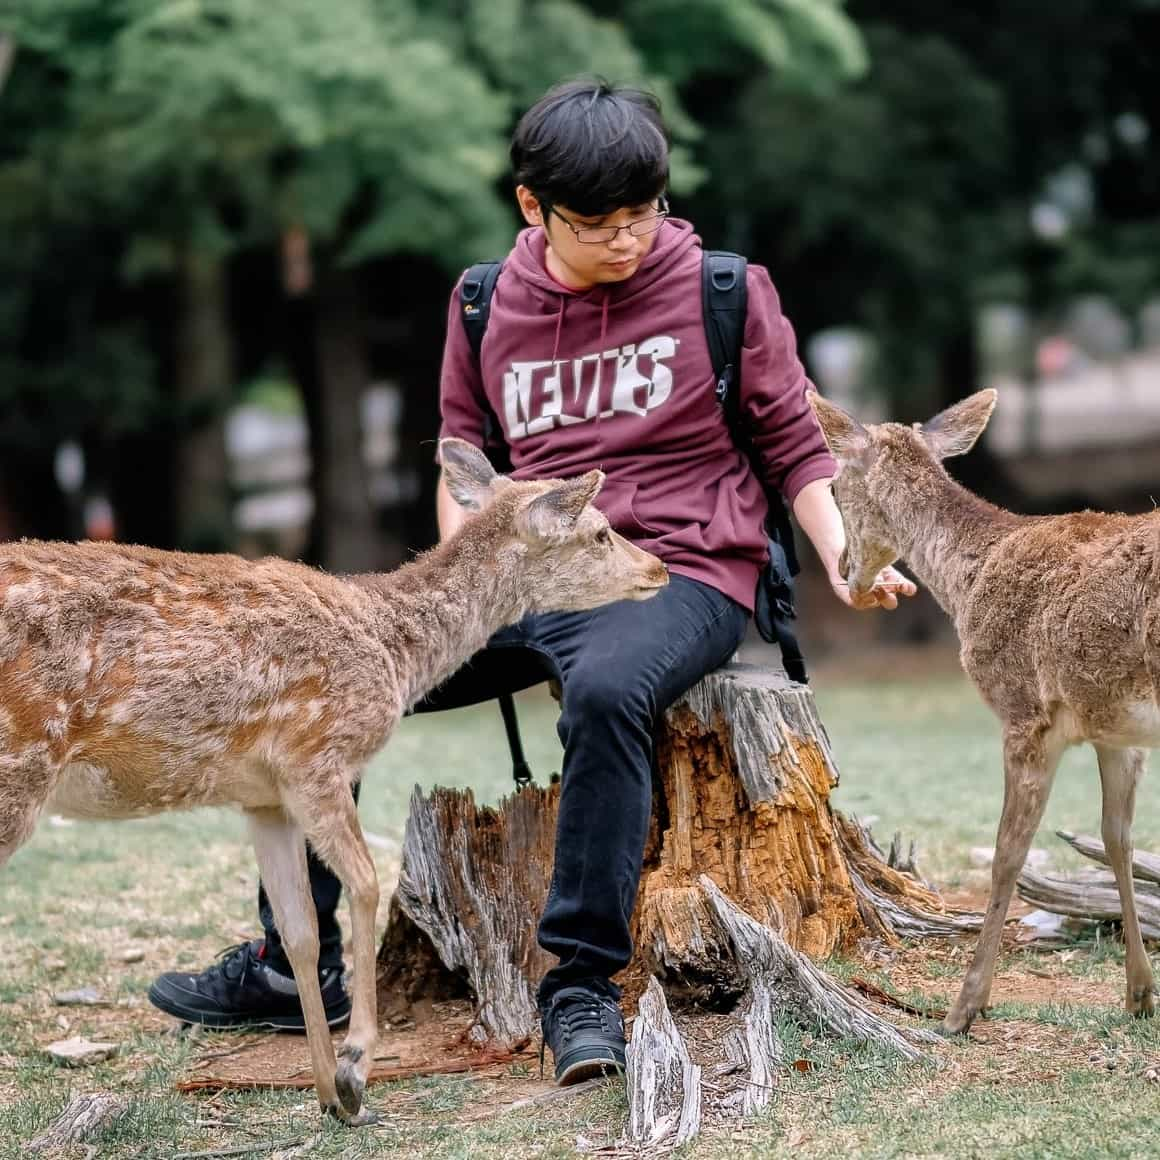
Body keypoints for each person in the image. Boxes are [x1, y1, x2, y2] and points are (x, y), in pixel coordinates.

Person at [148, 78, 915, 1085]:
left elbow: (791, 446)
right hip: (515, 582)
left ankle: (580, 983)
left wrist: (843, 557)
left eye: (642, 213)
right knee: (319, 663)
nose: (626, 239)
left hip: (669, 571)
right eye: (596, 223)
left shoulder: (722, 289)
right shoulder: (481, 302)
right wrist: (454, 600)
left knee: (605, 691)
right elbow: (461, 460)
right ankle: (299, 963)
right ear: (530, 206)